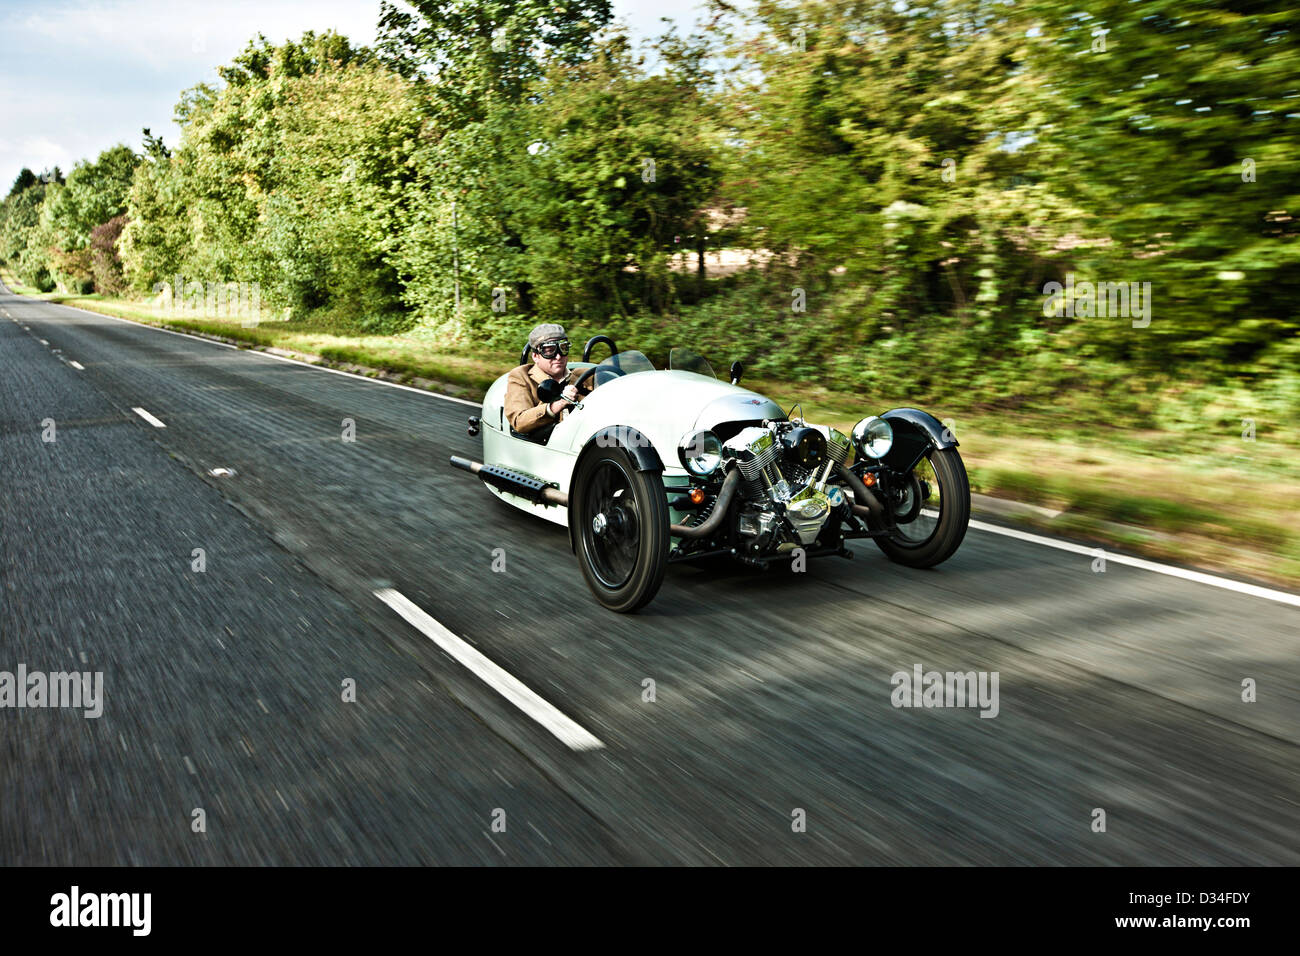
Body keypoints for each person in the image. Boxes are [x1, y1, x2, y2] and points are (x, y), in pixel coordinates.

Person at [504, 323, 596, 435]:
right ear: (535, 356)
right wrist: (559, 404)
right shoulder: (521, 377)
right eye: (549, 350)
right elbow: (519, 422)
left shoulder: (586, 375)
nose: (558, 356)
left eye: (563, 348)